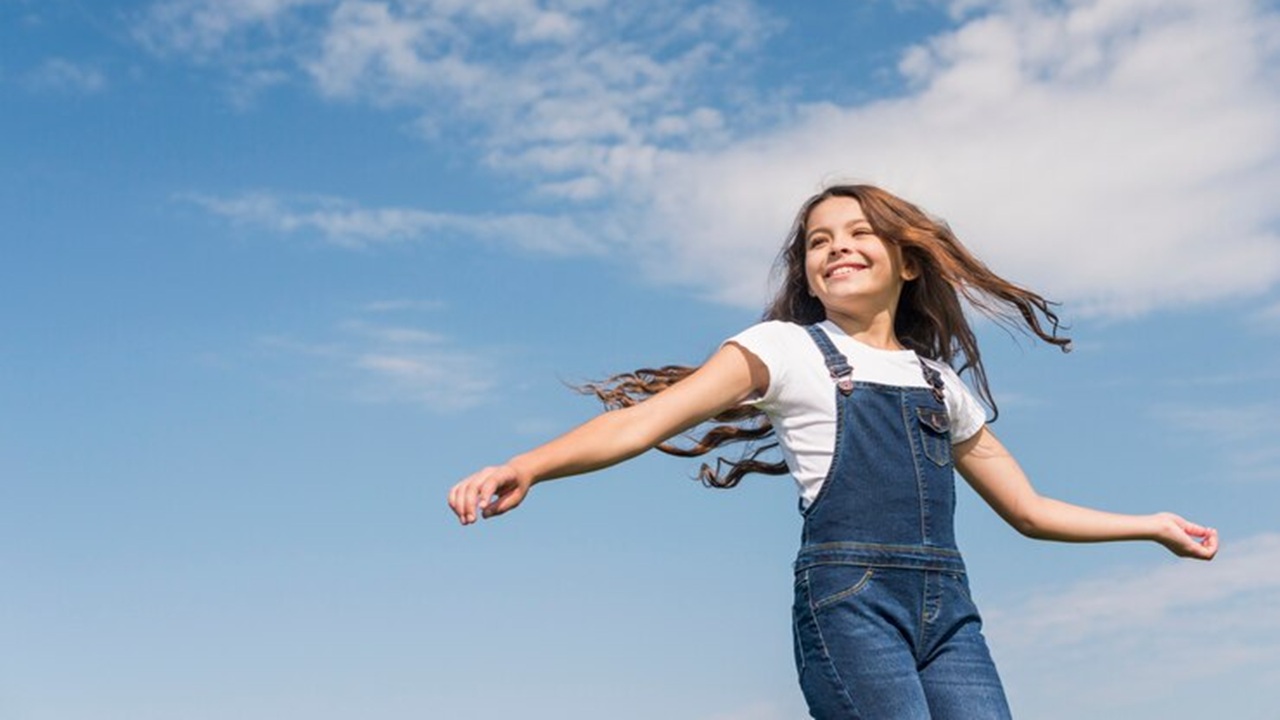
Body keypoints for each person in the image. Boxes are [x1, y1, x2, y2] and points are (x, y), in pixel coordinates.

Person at [447, 183, 1218, 719]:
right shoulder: (782, 350)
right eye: (819, 242)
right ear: (810, 278)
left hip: (950, 617)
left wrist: (1151, 525)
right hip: (852, 605)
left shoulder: (939, 384)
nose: (837, 248)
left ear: (907, 262)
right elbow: (642, 423)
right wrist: (527, 465)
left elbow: (1030, 510)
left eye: (858, 234)